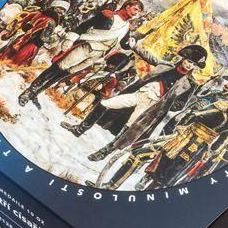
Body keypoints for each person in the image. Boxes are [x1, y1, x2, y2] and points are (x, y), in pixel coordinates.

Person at [76, 44, 208, 162]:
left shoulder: (189, 84)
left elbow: (180, 105)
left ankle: (104, 152)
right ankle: (80, 129)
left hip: (151, 108)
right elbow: (149, 57)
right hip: (138, 95)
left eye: (193, 64)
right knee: (106, 104)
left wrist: (166, 104)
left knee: (128, 130)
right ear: (183, 58)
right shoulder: (166, 66)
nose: (190, 65)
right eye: (189, 61)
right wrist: (134, 46)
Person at [17, 0, 144, 109]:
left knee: (66, 73)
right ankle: (29, 91)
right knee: (59, 67)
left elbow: (123, 44)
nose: (136, 13)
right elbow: (85, 25)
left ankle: (36, 93)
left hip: (98, 54)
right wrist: (70, 39)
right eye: (135, 9)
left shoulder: (126, 27)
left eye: (138, 11)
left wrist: (133, 42)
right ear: (127, 6)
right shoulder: (108, 15)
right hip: (86, 46)